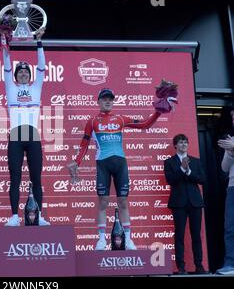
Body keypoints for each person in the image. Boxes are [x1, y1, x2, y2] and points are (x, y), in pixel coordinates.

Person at [68, 88, 169, 250]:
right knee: (103, 201)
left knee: (123, 201)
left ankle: (128, 239)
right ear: (99, 102)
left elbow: (144, 124)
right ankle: (101, 240)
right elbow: (85, 144)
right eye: (105, 99)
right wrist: (76, 162)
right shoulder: (92, 121)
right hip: (103, 164)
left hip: (120, 164)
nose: (108, 101)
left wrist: (158, 111)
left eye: (110, 99)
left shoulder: (121, 119)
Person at [0, 27, 50, 226]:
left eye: (24, 72)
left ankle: (39, 216)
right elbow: (6, 65)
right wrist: (5, 42)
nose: (21, 74)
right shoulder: (10, 87)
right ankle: (13, 216)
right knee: (15, 178)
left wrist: (39, 42)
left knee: (36, 178)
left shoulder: (36, 87)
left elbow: (42, 67)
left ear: (29, 75)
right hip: (15, 137)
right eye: (19, 72)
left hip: (33, 136)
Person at [164, 134, 207, 275]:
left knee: (196, 235)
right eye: (180, 143)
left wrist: (188, 171)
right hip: (178, 203)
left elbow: (202, 180)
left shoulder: (195, 161)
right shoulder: (169, 162)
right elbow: (170, 180)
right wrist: (181, 169)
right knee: (180, 235)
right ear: (175, 145)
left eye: (185, 142)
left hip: (195, 202)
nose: (183, 145)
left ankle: (199, 266)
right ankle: (181, 267)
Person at [216, 109, 234, 275]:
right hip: (232, 187)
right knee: (230, 226)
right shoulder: (231, 140)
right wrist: (230, 153)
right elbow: (224, 168)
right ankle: (230, 263)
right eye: (233, 117)